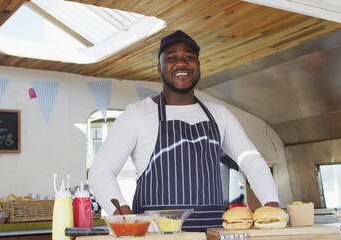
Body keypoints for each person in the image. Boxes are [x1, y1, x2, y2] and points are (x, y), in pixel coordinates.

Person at [89, 30, 279, 232]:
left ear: (198, 66)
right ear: (159, 67)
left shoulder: (219, 114)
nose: (181, 63)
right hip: (157, 236)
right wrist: (125, 217)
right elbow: (101, 171)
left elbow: (251, 161)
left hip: (211, 233)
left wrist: (272, 207)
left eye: (189, 57)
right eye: (171, 58)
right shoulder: (137, 114)